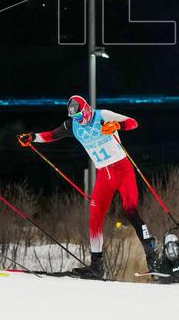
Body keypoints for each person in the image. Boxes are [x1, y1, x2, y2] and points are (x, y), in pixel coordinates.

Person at [17, 95, 157, 278]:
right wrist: (32, 137)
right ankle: (97, 266)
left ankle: (152, 256)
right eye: (75, 117)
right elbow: (52, 135)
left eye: (81, 115)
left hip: (123, 170)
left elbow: (133, 123)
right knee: (95, 219)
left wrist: (116, 125)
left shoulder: (103, 115)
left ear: (87, 109)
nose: (79, 120)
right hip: (104, 175)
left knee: (130, 210)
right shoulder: (73, 126)